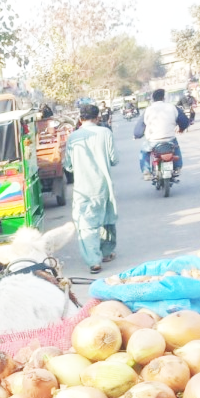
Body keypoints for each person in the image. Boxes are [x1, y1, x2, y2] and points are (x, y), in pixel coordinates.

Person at [63, 104, 119, 274]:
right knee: (107, 219)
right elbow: (114, 159)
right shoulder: (106, 133)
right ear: (97, 118)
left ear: (80, 119)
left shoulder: (73, 137)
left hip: (83, 188)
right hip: (103, 185)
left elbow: (68, 165)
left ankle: (94, 261)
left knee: (86, 224)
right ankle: (107, 253)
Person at [134, 89, 189, 180]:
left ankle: (146, 172)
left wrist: (137, 135)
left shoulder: (148, 110)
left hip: (153, 141)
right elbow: (184, 121)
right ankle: (177, 167)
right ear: (164, 98)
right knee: (176, 147)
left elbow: (139, 128)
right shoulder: (172, 107)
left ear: (153, 99)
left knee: (144, 152)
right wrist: (181, 128)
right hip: (169, 138)